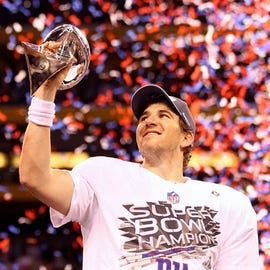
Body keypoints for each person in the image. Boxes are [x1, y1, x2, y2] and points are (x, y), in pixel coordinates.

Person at [19, 64, 260, 270]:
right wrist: (45, 93)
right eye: (144, 118)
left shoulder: (229, 204)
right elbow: (36, 177)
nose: (149, 120)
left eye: (163, 115)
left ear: (186, 138)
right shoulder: (103, 176)